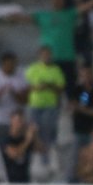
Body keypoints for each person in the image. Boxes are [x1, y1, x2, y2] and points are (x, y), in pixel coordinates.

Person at [25, 46, 66, 174]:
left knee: (47, 131)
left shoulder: (56, 70)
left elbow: (61, 88)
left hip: (50, 105)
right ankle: (32, 160)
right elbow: (26, 85)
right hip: (35, 104)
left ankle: (46, 161)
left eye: (48, 55)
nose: (46, 57)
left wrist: (49, 86)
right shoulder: (33, 69)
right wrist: (37, 87)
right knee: (33, 131)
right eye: (44, 55)